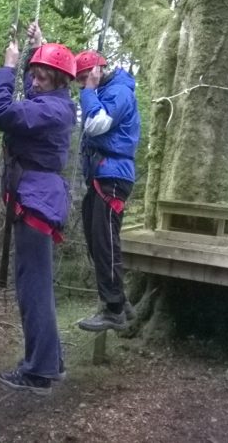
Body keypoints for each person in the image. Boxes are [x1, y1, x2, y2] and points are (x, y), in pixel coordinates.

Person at [0, 21, 77, 395]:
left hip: (36, 204)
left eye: (42, 78)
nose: (35, 82)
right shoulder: (52, 104)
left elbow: (2, 113)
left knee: (34, 290)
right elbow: (29, 102)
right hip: (37, 199)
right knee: (36, 287)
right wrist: (38, 47)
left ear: (58, 82)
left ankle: (39, 371)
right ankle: (49, 362)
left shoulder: (52, 111)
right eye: (33, 75)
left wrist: (7, 68)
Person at [72, 50, 141, 332]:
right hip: (102, 174)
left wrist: (89, 90)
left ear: (94, 72)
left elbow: (96, 124)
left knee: (105, 240)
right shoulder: (105, 91)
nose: (80, 85)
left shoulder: (119, 91)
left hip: (113, 175)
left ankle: (113, 309)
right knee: (94, 236)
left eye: (82, 79)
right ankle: (119, 301)